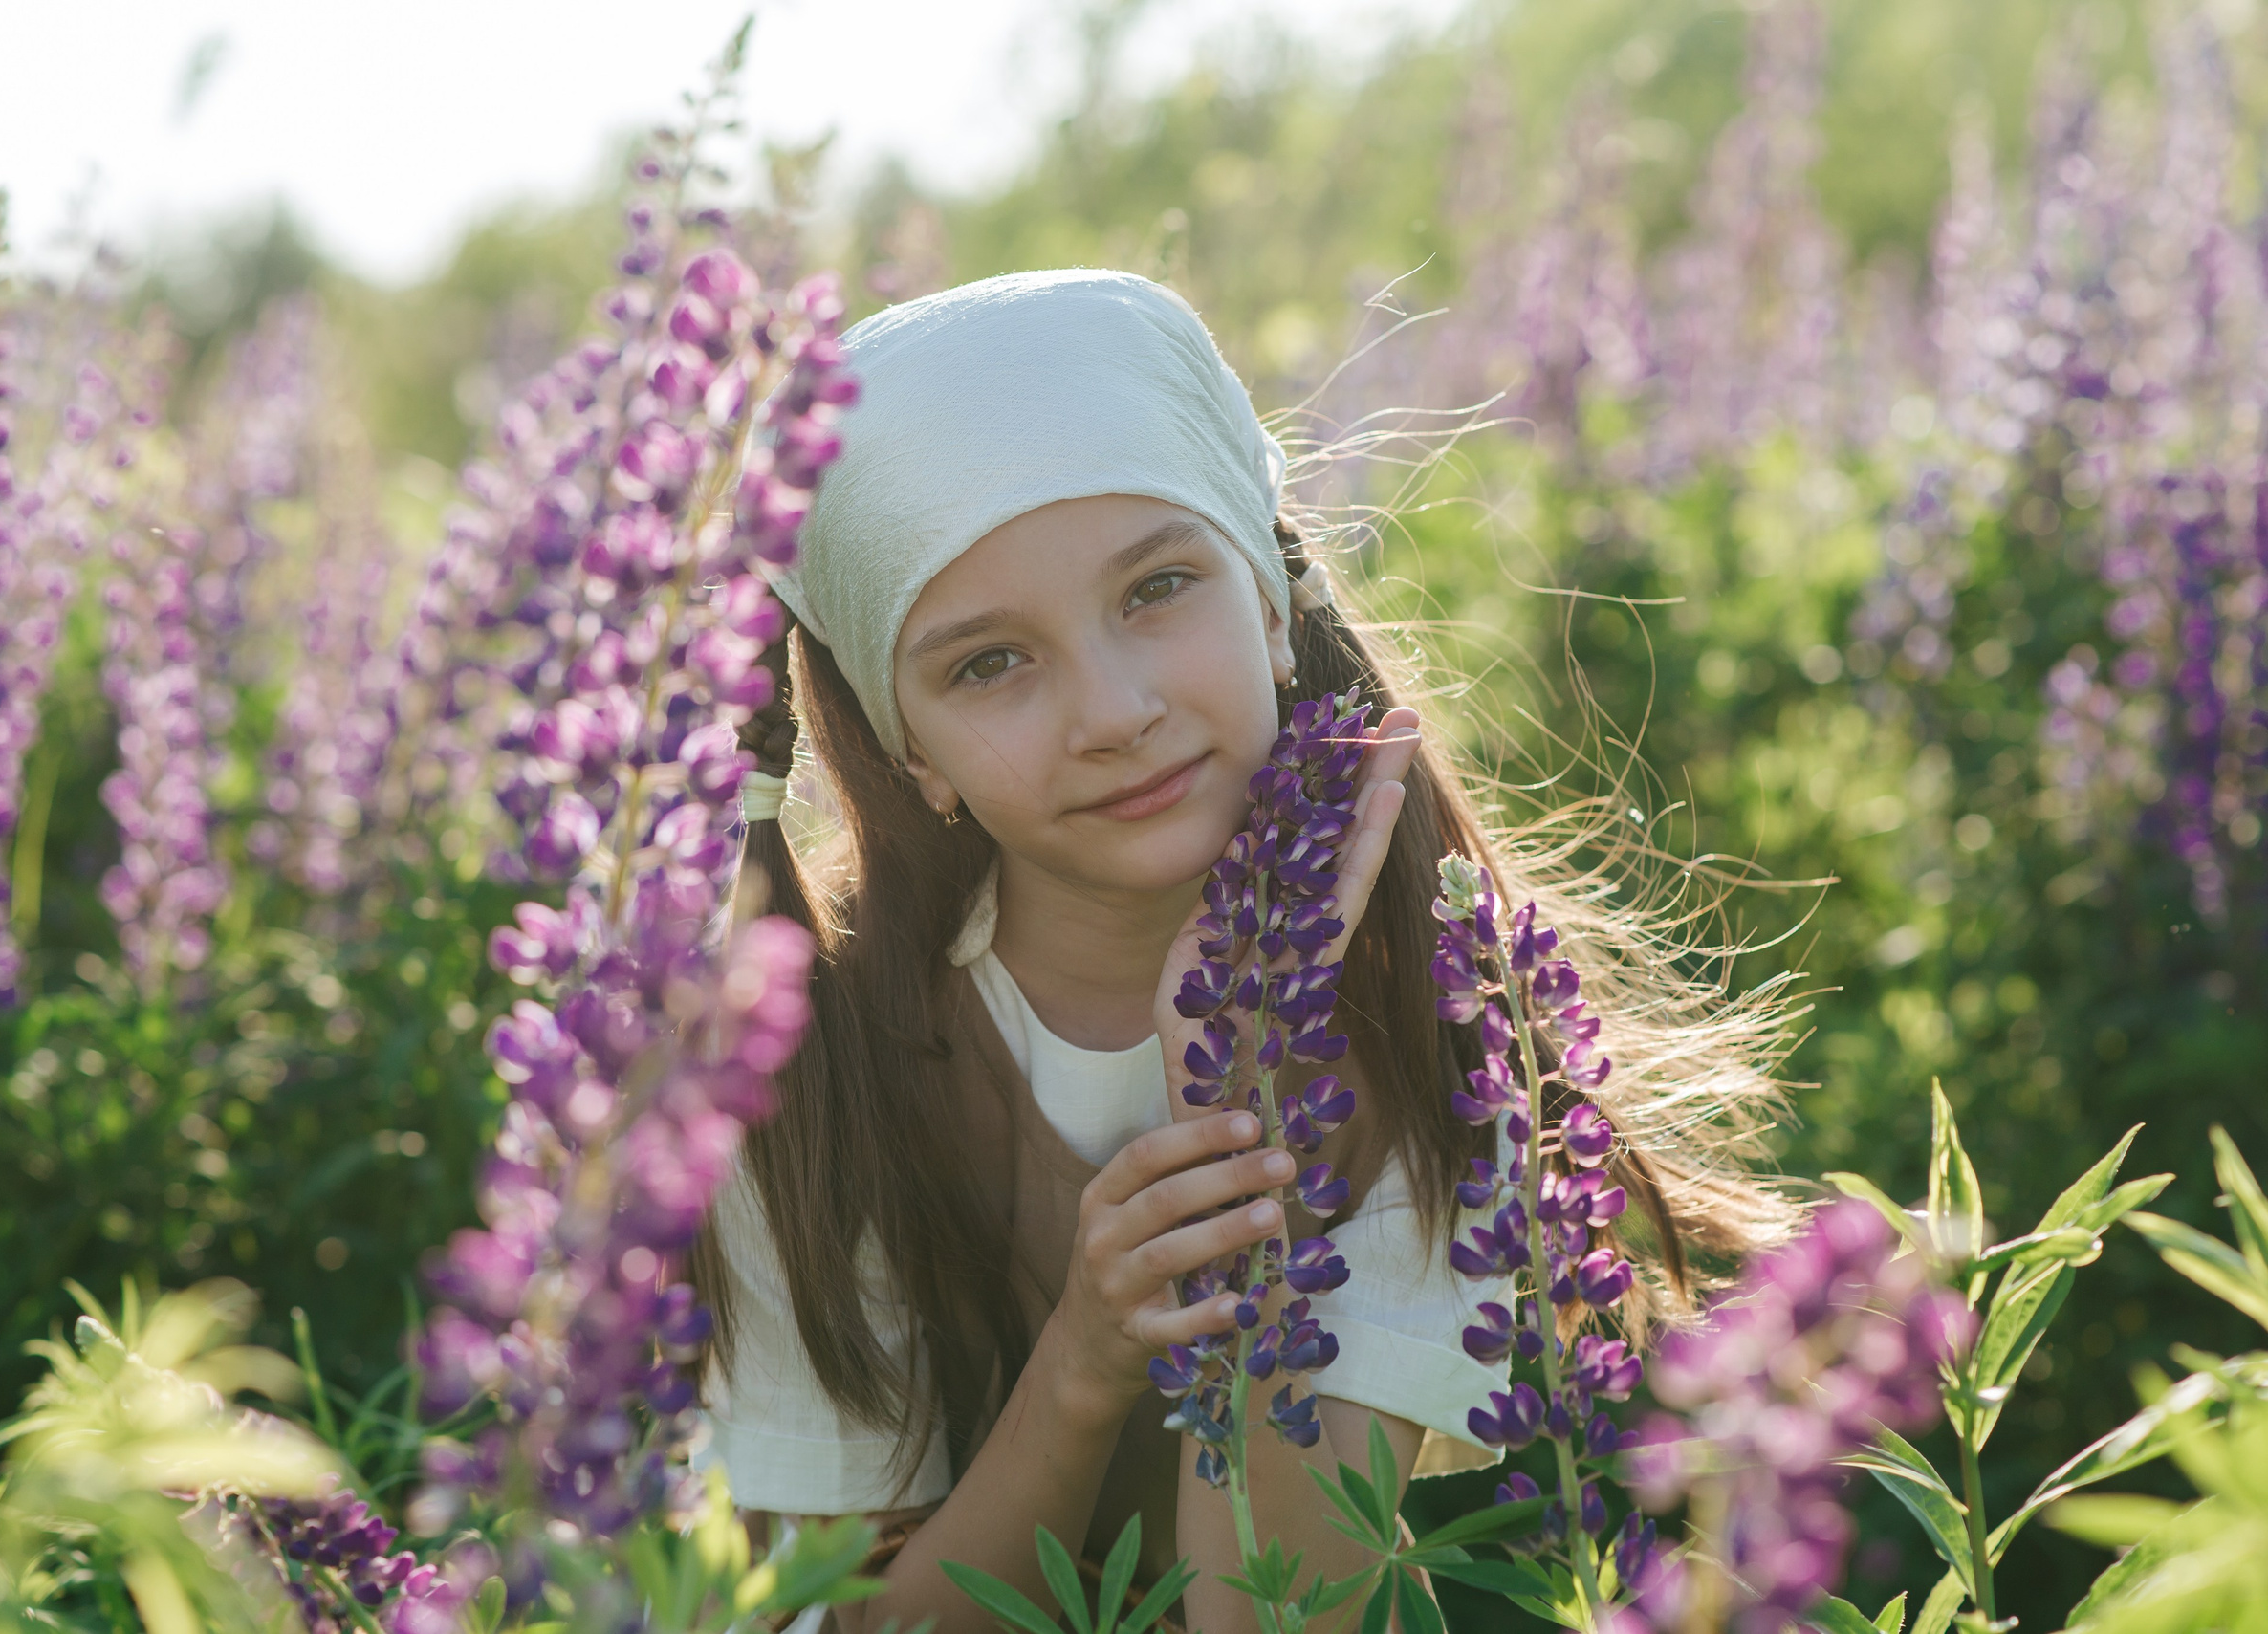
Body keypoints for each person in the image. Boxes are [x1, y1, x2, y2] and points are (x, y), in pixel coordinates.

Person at [692, 269, 1791, 1634]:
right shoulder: (809, 1068)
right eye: (989, 664)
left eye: (1157, 587)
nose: (1114, 710)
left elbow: (1276, 1615)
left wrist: (1260, 1101)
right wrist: (1083, 1362)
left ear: (1272, 604)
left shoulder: (1421, 1013)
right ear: (907, 746)